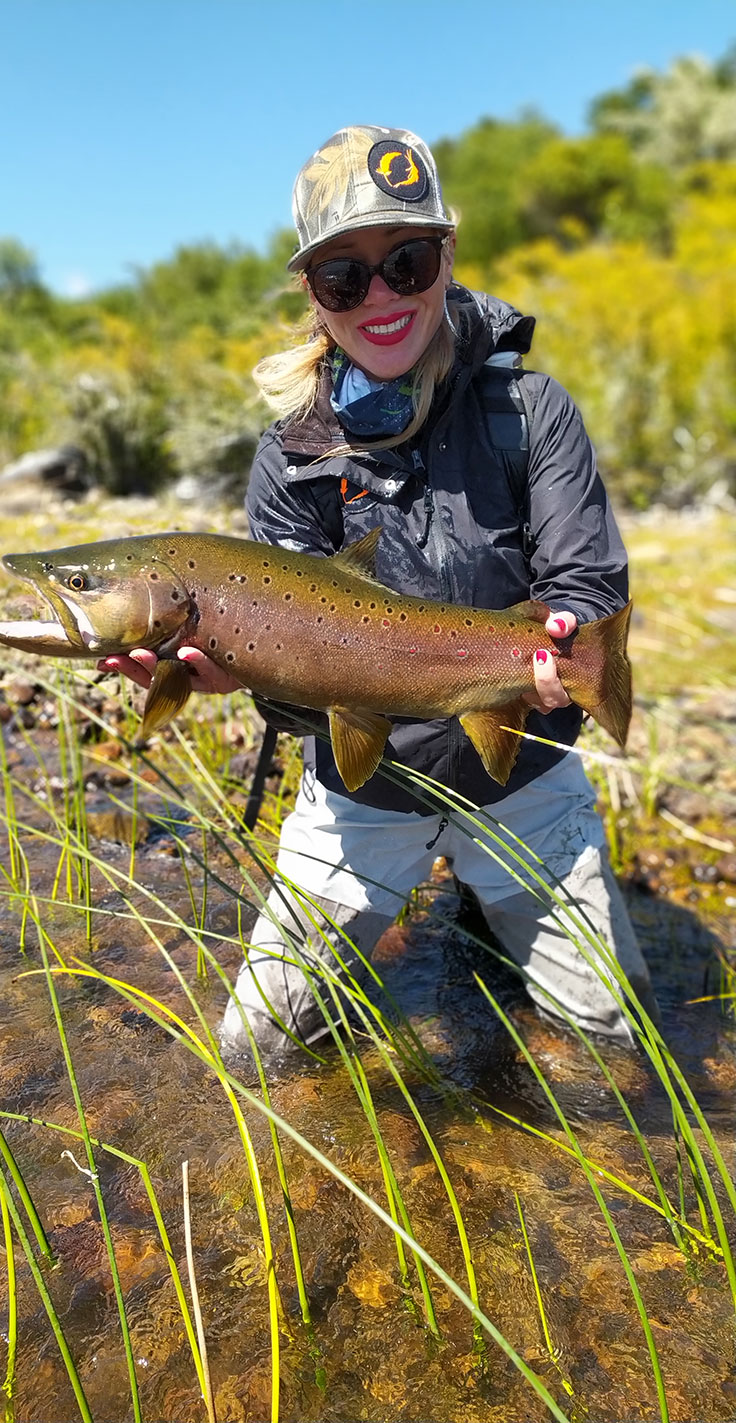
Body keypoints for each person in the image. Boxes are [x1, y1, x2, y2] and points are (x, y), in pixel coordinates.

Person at [101, 125, 657, 1057]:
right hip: (366, 794)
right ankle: (463, 912)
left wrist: (572, 642)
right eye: (344, 277)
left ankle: (486, 908)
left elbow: (584, 580)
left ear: (448, 254)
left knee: (612, 1048)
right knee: (257, 1053)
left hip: (523, 775)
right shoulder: (291, 457)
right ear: (313, 294)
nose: (383, 296)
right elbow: (296, 687)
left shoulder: (530, 413)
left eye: (408, 261)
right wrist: (243, 675)